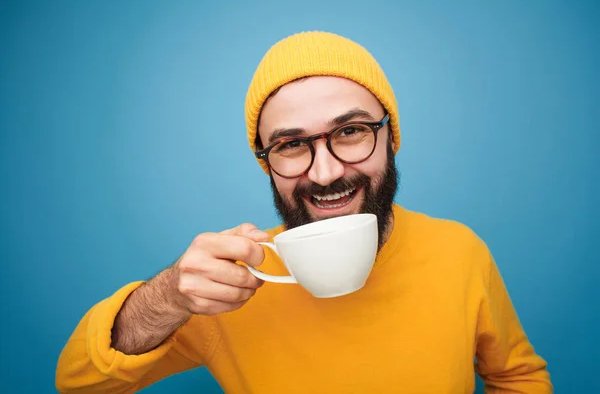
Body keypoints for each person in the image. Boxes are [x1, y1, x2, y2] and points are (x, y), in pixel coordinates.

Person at [56, 31, 552, 393]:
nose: (326, 172)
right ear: (266, 164)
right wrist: (167, 297)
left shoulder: (459, 252)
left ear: (390, 137)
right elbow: (77, 383)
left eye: (351, 131)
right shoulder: (229, 285)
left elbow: (517, 375)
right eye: (291, 144)